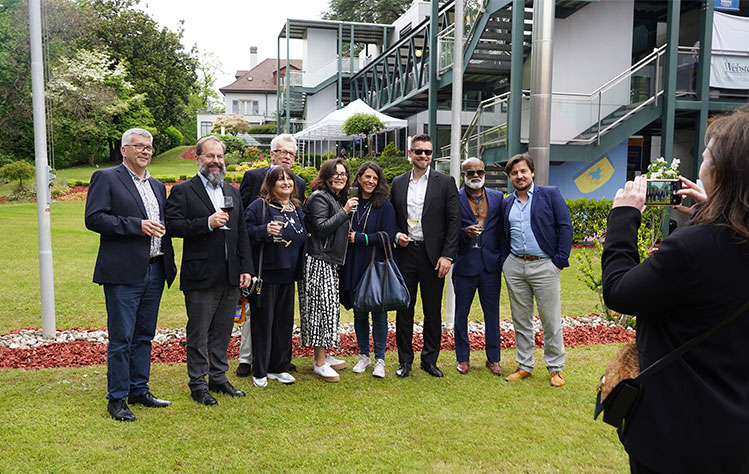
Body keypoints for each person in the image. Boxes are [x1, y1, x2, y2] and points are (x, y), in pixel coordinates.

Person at [601, 110, 749, 474]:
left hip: (678, 431)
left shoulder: (691, 248)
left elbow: (620, 291)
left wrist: (623, 218)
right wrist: (709, 209)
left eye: (706, 156)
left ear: (723, 171)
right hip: (736, 430)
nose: (701, 163)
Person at [85, 128, 177, 422]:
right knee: (122, 338)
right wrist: (135, 226)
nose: (145, 151)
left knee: (144, 336)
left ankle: (139, 390)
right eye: (139, 146)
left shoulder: (158, 186)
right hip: (124, 273)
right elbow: (94, 218)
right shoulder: (107, 178)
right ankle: (117, 398)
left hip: (155, 268)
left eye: (149, 147)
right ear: (124, 150)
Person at [165, 135, 254, 406]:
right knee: (199, 333)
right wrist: (206, 222)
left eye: (219, 157)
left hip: (230, 275)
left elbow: (241, 234)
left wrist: (245, 268)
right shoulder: (183, 191)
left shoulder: (232, 191)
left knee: (223, 331)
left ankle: (218, 377)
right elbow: (173, 226)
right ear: (198, 158)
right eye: (210, 156)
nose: (215, 162)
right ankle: (198, 383)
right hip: (200, 275)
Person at [389, 133, 461, 378]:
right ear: (410, 153)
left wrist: (447, 256)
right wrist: (397, 235)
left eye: (427, 152)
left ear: (432, 155)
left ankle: (429, 361)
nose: (423, 156)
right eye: (418, 151)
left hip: (434, 257)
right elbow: (392, 218)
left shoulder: (446, 182)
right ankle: (404, 361)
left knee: (433, 311)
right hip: (406, 254)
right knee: (404, 309)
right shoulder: (398, 183)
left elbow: (454, 221)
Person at [236, 133, 306, 378]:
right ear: (273, 153)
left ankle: (278, 362)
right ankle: (248, 360)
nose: (287, 157)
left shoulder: (298, 184)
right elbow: (241, 221)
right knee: (256, 317)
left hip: (287, 265)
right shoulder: (253, 177)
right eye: (283, 152)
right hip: (261, 261)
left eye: (291, 154)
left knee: (280, 317)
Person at [501, 153, 572, 387]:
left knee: (550, 320)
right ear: (510, 177)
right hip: (515, 266)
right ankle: (524, 365)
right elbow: (503, 234)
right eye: (514, 173)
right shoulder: (506, 202)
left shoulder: (550, 195)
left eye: (523, 171)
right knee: (521, 320)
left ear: (532, 172)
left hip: (545, 265)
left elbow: (565, 227)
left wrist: (559, 262)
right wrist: (505, 262)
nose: (519, 176)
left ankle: (555, 368)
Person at [301, 158, 358, 382]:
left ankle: (325, 354)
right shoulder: (319, 198)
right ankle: (320, 362)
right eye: (335, 173)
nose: (340, 177)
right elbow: (321, 228)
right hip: (317, 260)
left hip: (328, 261)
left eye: (343, 174)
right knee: (319, 312)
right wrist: (345, 211)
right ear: (325, 176)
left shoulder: (333, 198)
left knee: (329, 310)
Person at [339, 162, 396, 378]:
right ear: (359, 178)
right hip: (353, 264)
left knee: (379, 314)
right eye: (367, 177)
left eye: (375, 178)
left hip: (375, 265)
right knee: (360, 312)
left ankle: (380, 359)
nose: (370, 181)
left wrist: (362, 238)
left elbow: (388, 236)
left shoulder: (384, 206)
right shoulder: (350, 202)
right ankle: (364, 356)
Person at [452, 158, 504, 376]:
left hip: (491, 266)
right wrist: (465, 233)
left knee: (492, 314)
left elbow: (503, 230)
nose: (475, 174)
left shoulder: (498, 197)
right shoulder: (454, 198)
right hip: (465, 264)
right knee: (461, 314)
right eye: (470, 171)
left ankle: (493, 359)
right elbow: (449, 229)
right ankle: (463, 358)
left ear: (484, 173)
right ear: (463, 175)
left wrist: (501, 258)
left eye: (479, 171)